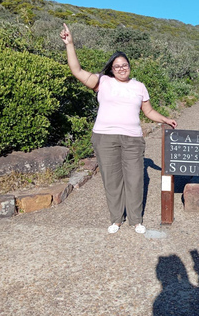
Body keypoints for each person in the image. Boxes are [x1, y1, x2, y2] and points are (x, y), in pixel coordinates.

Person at [60, 23, 177, 234]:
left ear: (129, 66)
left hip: (132, 139)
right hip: (104, 138)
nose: (122, 68)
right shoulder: (102, 81)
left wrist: (165, 119)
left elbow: (148, 111)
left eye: (125, 65)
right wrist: (70, 44)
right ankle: (116, 219)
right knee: (112, 180)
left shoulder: (139, 86)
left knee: (135, 179)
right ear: (111, 69)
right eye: (117, 66)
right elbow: (76, 70)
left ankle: (136, 220)